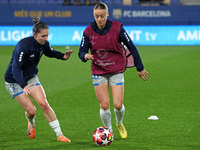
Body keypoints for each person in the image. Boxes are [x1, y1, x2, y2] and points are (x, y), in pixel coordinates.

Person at [78, 2, 149, 139]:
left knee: (117, 105)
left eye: (102, 16)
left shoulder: (117, 28)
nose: (99, 19)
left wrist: (139, 68)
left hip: (116, 69)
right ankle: (108, 131)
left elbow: (132, 47)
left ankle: (119, 123)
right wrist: (84, 56)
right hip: (98, 70)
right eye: (96, 16)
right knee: (104, 105)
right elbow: (81, 51)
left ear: (107, 14)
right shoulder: (88, 31)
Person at [4, 17, 73, 142]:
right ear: (34, 34)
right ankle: (31, 122)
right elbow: (16, 69)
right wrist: (23, 85)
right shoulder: (23, 46)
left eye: (47, 35)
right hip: (14, 81)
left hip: (30, 77)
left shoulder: (44, 44)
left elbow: (50, 52)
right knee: (32, 111)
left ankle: (59, 134)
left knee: (44, 104)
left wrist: (63, 56)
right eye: (43, 36)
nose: (45, 39)